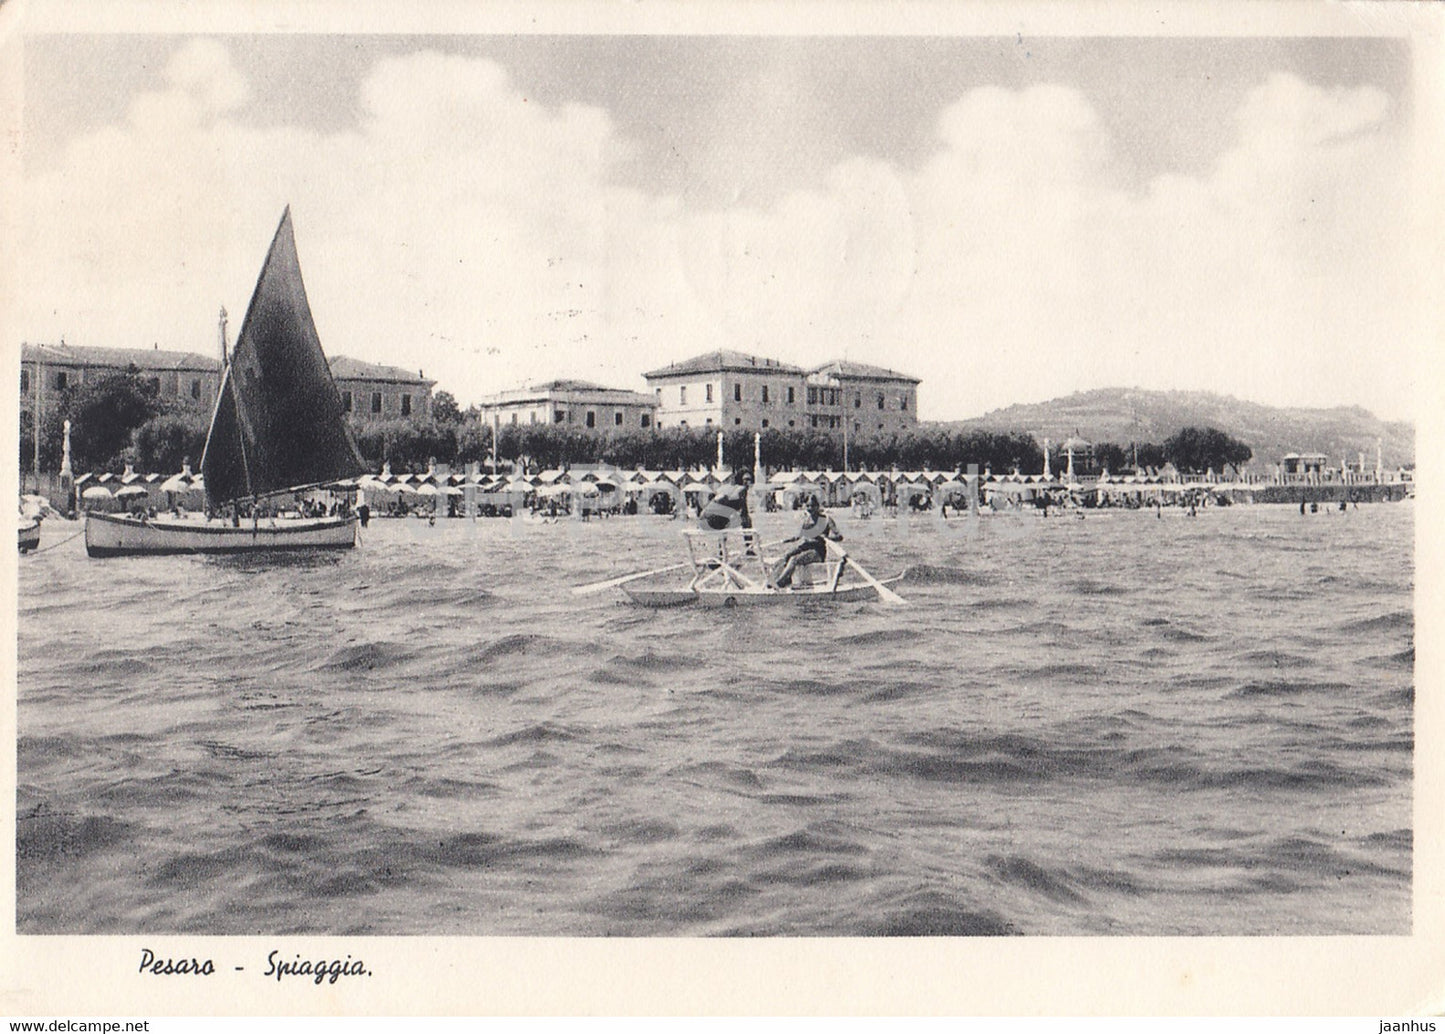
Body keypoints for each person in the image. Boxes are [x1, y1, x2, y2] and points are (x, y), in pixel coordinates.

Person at [773, 496, 843, 588]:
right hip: (805, 547)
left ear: (817, 506)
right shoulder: (807, 520)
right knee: (786, 556)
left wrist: (827, 537)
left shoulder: (826, 519)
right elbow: (799, 536)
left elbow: (839, 537)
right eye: (808, 506)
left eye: (813, 506)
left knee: (794, 559)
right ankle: (783, 580)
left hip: (817, 551)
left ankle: (779, 583)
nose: (810, 509)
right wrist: (788, 539)